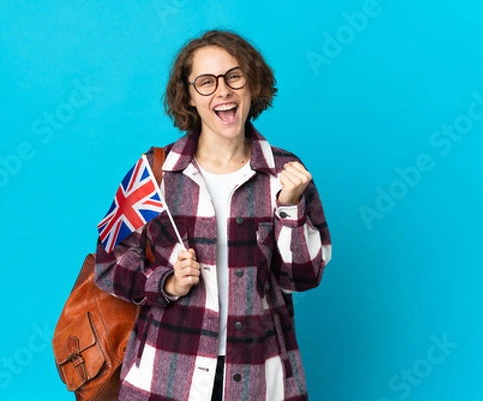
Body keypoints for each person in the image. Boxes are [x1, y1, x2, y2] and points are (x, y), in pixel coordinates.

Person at [95, 29, 332, 401]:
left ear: (251, 83)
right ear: (189, 96)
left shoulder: (285, 172)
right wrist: (165, 283)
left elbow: (303, 278)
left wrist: (288, 206)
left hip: (259, 375)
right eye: (206, 82)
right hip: (167, 375)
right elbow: (108, 267)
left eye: (233, 76)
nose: (222, 91)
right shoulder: (156, 173)